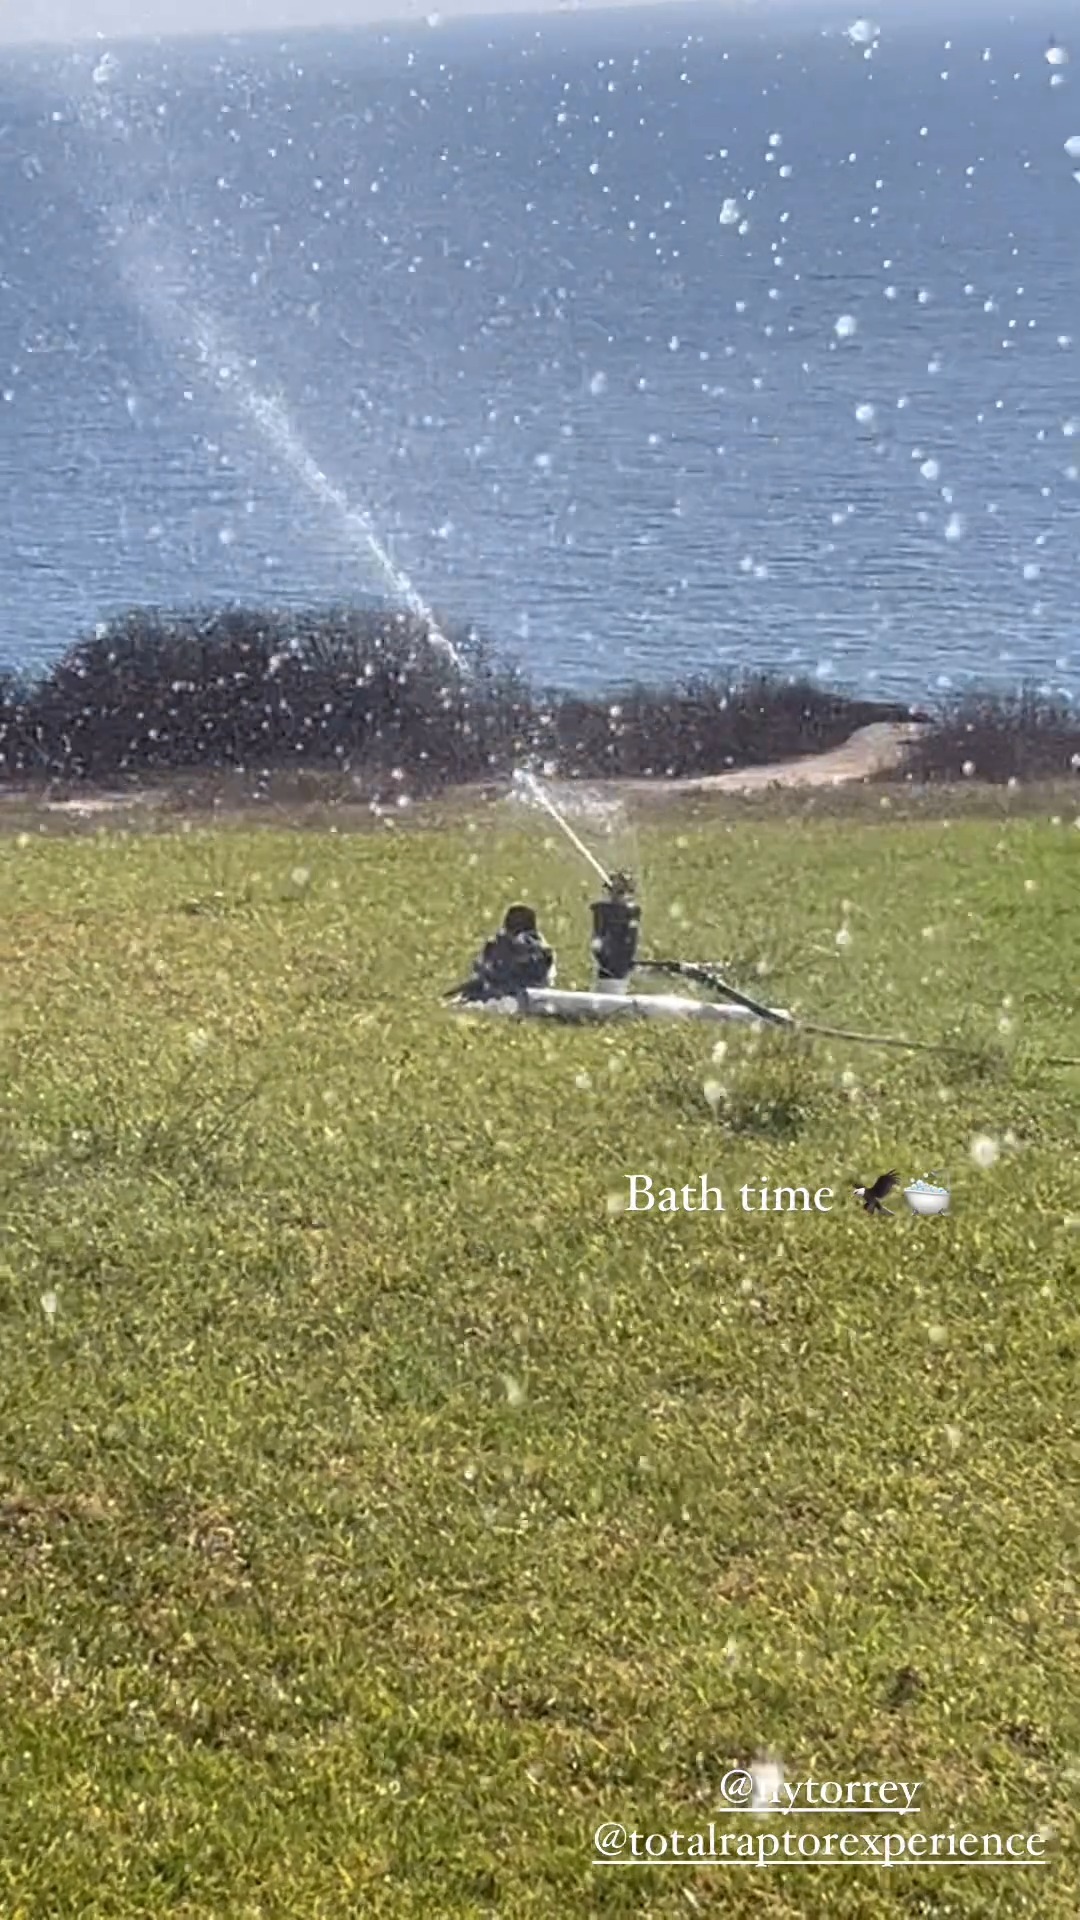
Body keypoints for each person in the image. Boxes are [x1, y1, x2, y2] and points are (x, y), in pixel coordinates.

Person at [451, 903, 556, 1001]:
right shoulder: (538, 945)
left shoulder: (498, 943)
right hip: (513, 989)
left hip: (502, 988)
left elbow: (483, 971)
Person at [590, 871, 641, 993]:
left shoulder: (629, 913)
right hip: (610, 969)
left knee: (612, 983)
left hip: (616, 970)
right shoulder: (604, 911)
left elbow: (628, 946)